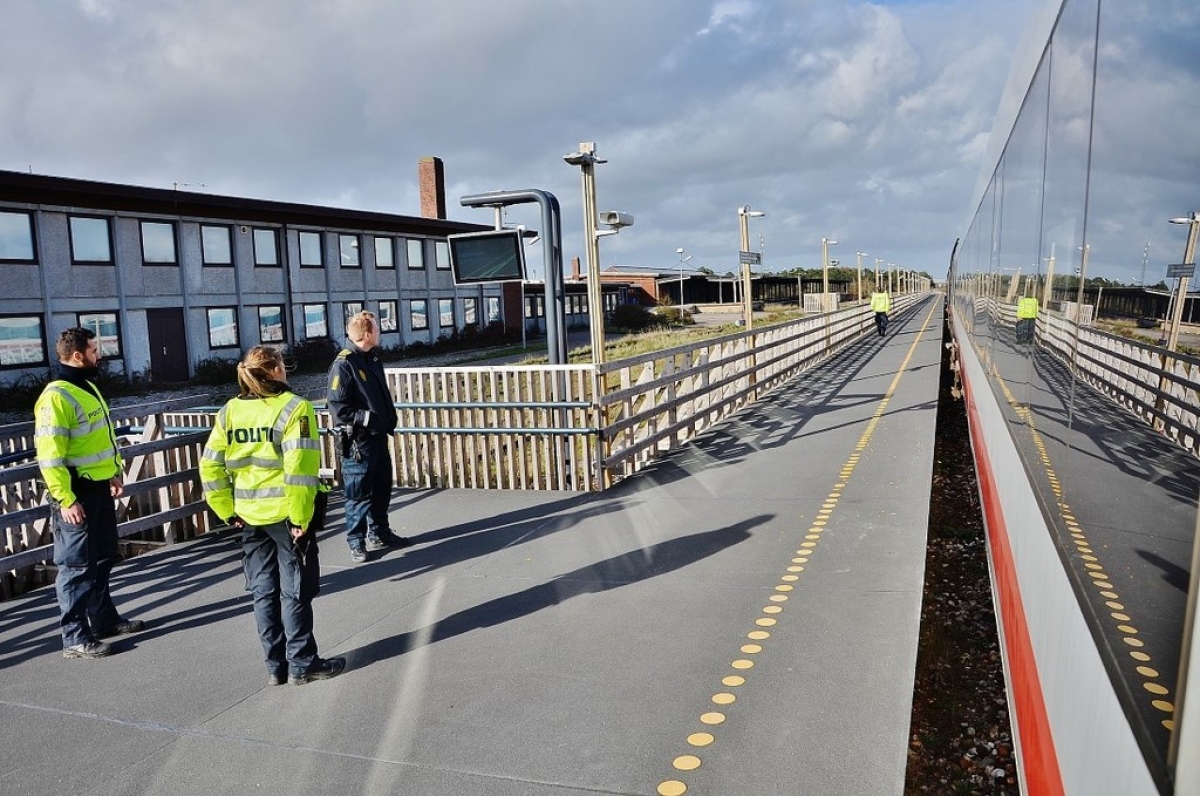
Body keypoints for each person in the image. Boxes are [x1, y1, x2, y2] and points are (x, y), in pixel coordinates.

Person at [201, 345, 345, 686]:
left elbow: (209, 465)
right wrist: (300, 518)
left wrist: (226, 510)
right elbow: (300, 470)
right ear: (276, 370)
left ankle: (275, 667)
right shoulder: (296, 408)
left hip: (248, 515)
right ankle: (303, 663)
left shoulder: (230, 411)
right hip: (285, 514)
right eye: (283, 364)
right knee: (294, 590)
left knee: (263, 592)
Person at [36, 327, 144, 659]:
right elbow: (50, 455)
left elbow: (99, 440)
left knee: (101, 558)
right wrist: (65, 499)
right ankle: (74, 638)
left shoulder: (87, 388)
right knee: (76, 566)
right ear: (78, 355)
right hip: (76, 493)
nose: (100, 355)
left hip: (97, 487)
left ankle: (103, 621)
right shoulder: (57, 397)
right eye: (95, 350)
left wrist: (112, 473)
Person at [327, 310, 409, 564]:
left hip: (378, 438)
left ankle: (380, 533)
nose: (380, 332)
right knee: (358, 494)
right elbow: (338, 407)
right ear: (367, 333)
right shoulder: (345, 363)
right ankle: (356, 543)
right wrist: (370, 419)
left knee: (382, 489)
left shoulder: (372, 359)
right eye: (376, 328)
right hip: (359, 443)